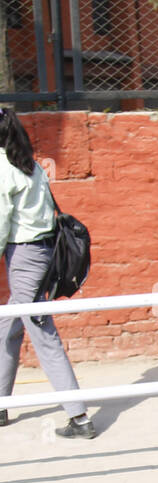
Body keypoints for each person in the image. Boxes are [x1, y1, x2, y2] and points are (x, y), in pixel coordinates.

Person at [0, 108, 95, 437]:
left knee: (42, 332)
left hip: (23, 255)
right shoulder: (31, 165)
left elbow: (1, 221)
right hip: (41, 252)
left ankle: (79, 417)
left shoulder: (2, 168)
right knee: (8, 325)